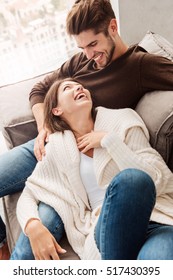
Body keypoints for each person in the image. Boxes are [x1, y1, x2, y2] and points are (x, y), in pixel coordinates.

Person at [1, 0, 173, 259]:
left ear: (113, 27)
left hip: (87, 156)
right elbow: (39, 91)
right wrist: (44, 126)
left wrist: (108, 141)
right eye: (82, 47)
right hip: (52, 143)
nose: (89, 55)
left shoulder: (139, 65)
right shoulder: (79, 61)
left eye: (93, 44)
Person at [14, 78, 173, 260]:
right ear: (57, 110)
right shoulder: (57, 148)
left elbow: (160, 181)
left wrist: (109, 141)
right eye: (68, 88)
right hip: (108, 230)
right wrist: (32, 224)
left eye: (79, 86)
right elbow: (29, 193)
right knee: (131, 179)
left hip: (155, 221)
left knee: (132, 180)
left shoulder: (122, 120)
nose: (78, 87)